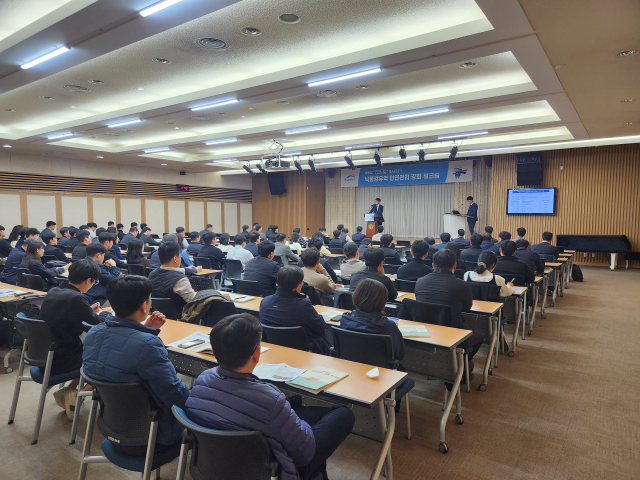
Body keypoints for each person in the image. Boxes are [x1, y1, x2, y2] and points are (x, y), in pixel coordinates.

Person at [185, 313, 354, 480]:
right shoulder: (270, 400)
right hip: (272, 471)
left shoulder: (201, 382)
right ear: (256, 353)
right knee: (343, 415)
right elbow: (305, 453)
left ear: (214, 351)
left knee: (294, 408)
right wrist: (299, 422)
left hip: (214, 467)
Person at [83, 276, 190, 455]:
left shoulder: (94, 332)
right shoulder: (148, 345)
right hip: (152, 435)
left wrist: (143, 329)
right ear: (144, 306)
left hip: (111, 426)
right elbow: (175, 395)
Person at [39, 259, 110, 418]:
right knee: (107, 361)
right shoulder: (76, 298)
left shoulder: (55, 291)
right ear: (88, 281)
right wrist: (106, 313)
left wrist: (88, 311)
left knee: (92, 353)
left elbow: (69, 316)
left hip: (44, 355)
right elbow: (95, 323)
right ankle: (77, 395)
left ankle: (69, 391)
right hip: (62, 359)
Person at [414, 250, 484, 384]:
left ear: (433, 265)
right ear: (455, 265)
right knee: (479, 335)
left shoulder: (420, 281)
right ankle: (462, 364)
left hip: (425, 331)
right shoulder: (462, 285)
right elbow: (466, 308)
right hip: (452, 333)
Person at [260, 266, 331, 355]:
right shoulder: (304, 305)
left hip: (274, 350)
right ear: (298, 286)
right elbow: (320, 328)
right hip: (305, 352)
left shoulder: (264, 301)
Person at [340, 279, 404, 360]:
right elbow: (399, 354)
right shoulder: (387, 325)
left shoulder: (345, 319)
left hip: (351, 365)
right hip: (380, 370)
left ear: (355, 296)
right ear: (383, 301)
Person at [148, 242, 197, 312]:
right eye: (180, 257)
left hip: (157, 316)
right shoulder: (180, 280)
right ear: (175, 259)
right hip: (180, 318)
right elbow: (193, 301)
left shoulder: (152, 274)